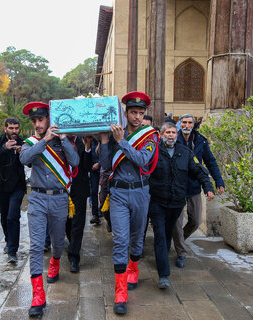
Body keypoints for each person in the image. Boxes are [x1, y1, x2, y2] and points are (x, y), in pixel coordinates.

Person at [99, 91, 159, 315]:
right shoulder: (116, 132)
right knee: (120, 239)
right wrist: (105, 140)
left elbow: (143, 160)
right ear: (125, 113)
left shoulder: (149, 135)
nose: (137, 117)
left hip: (141, 192)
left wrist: (120, 141)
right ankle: (120, 290)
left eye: (140, 113)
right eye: (133, 112)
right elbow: (105, 165)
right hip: (119, 194)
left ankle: (134, 268)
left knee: (137, 237)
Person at [19, 102, 80, 317]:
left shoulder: (64, 141)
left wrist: (62, 138)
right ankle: (38, 295)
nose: (37, 124)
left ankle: (55, 260)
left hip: (59, 200)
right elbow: (25, 159)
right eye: (34, 121)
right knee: (35, 246)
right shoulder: (31, 143)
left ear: (49, 119)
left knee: (56, 242)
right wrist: (44, 141)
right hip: (36, 198)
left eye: (40, 120)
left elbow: (75, 161)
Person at [149, 121, 215, 289]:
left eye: (173, 133)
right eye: (167, 132)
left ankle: (162, 256)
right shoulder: (153, 152)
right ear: (161, 135)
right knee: (160, 235)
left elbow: (200, 171)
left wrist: (208, 188)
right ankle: (164, 275)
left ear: (176, 135)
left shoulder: (185, 153)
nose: (171, 135)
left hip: (176, 203)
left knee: (167, 233)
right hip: (157, 202)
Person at [172, 113, 224, 268]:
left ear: (194, 125)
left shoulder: (201, 140)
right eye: (183, 122)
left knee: (195, 221)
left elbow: (210, 162)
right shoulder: (174, 139)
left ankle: (177, 239)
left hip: (194, 186)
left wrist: (218, 181)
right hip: (178, 187)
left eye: (189, 122)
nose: (186, 125)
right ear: (179, 124)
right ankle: (181, 252)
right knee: (176, 222)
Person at [0, 117, 26, 263]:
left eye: (16, 128)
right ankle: (9, 241)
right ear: (5, 129)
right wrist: (3, 149)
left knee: (12, 216)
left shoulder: (24, 142)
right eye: (11, 128)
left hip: (18, 187)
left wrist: (23, 153)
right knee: (4, 217)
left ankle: (13, 251)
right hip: (0, 187)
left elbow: (32, 164)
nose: (14, 131)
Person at [66, 135, 93, 273]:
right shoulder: (58, 140)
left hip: (79, 189)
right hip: (61, 188)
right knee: (66, 222)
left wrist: (87, 147)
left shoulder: (82, 140)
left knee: (78, 224)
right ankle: (72, 244)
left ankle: (74, 257)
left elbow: (87, 167)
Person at [89, 138, 102, 225]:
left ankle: (103, 211)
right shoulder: (90, 140)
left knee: (104, 192)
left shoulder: (104, 139)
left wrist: (99, 163)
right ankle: (95, 215)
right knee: (93, 191)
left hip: (105, 169)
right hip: (93, 170)